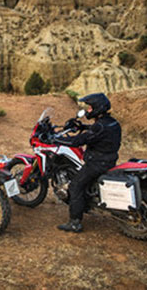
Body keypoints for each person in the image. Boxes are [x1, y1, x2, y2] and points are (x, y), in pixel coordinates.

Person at [53, 92, 122, 233]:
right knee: (83, 182)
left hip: (97, 163)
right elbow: (97, 131)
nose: (88, 111)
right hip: (109, 160)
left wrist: (55, 140)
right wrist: (83, 127)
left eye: (90, 108)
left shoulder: (100, 126)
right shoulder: (111, 122)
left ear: (98, 108)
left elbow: (78, 141)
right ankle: (86, 203)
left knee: (75, 186)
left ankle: (74, 223)